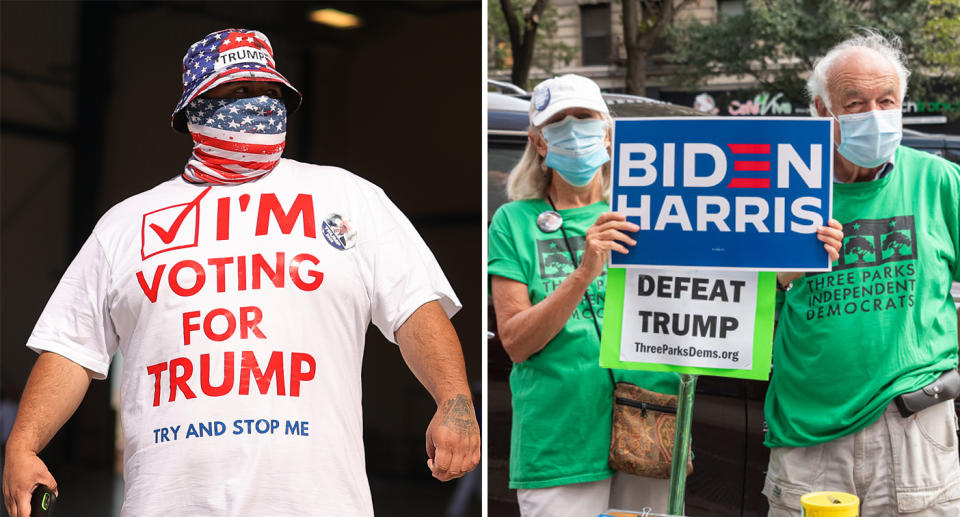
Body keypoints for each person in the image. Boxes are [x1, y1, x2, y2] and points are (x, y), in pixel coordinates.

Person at [2, 28, 480, 517]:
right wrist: (23, 445)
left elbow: (414, 308)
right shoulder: (126, 225)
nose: (261, 104)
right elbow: (72, 348)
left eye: (271, 92)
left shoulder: (347, 197)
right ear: (194, 110)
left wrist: (455, 401)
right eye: (239, 92)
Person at [763, 31, 960, 516]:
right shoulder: (776, 190)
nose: (873, 114)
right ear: (820, 109)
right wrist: (782, 275)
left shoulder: (936, 181)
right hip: (810, 434)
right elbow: (729, 315)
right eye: (854, 103)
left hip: (914, 426)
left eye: (886, 100)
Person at [488, 74, 682, 516]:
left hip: (649, 430)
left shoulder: (656, 210)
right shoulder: (513, 222)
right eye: (560, 122)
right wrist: (584, 273)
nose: (575, 130)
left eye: (585, 118)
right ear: (539, 142)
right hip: (559, 445)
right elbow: (516, 342)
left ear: (609, 133)